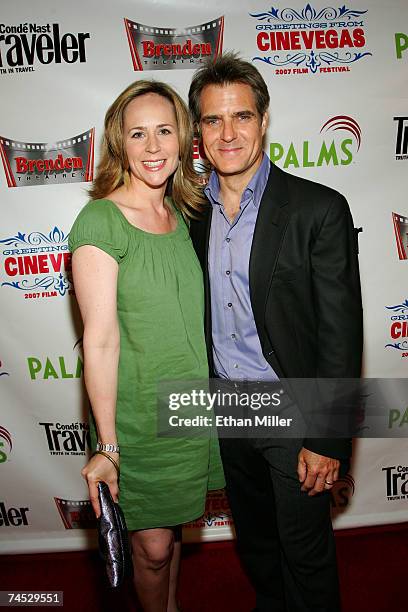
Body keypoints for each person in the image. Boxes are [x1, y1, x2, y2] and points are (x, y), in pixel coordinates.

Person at [188, 53, 363, 612]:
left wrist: (327, 437)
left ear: (264, 120)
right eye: (213, 120)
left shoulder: (319, 208)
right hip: (227, 407)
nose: (228, 133)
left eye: (241, 116)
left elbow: (340, 334)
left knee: (305, 553)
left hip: (294, 409)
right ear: (199, 131)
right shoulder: (189, 214)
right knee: (258, 545)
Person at [68, 80, 224, 612]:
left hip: (189, 410)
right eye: (139, 134)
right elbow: (102, 340)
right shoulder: (101, 221)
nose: (153, 147)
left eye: (165, 131)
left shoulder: (185, 216)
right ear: (120, 143)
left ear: (183, 139)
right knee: (153, 547)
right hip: (135, 419)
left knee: (169, 535)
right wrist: (108, 447)